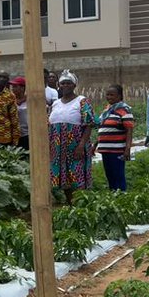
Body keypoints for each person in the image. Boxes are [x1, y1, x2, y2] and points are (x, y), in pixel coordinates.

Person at [48, 71, 95, 203]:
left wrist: (81, 145)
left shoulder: (82, 101)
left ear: (74, 85)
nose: (65, 86)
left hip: (75, 146)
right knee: (63, 176)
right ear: (59, 85)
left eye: (69, 83)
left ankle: (80, 204)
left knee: (76, 175)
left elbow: (89, 125)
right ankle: (70, 203)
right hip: (58, 147)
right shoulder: (56, 103)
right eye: (63, 83)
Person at [97, 85, 135, 192]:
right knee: (110, 176)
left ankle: (121, 196)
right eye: (107, 95)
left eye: (112, 95)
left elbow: (129, 130)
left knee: (118, 175)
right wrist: (95, 145)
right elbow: (103, 129)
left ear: (119, 96)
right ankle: (113, 196)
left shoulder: (124, 110)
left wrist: (127, 148)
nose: (109, 97)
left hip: (117, 150)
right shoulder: (107, 110)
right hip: (105, 149)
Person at [10, 77, 30, 151]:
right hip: (14, 135)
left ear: (22, 88)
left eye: (15, 86)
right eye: (12, 87)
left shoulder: (30, 100)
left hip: (27, 134)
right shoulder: (10, 101)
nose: (13, 89)